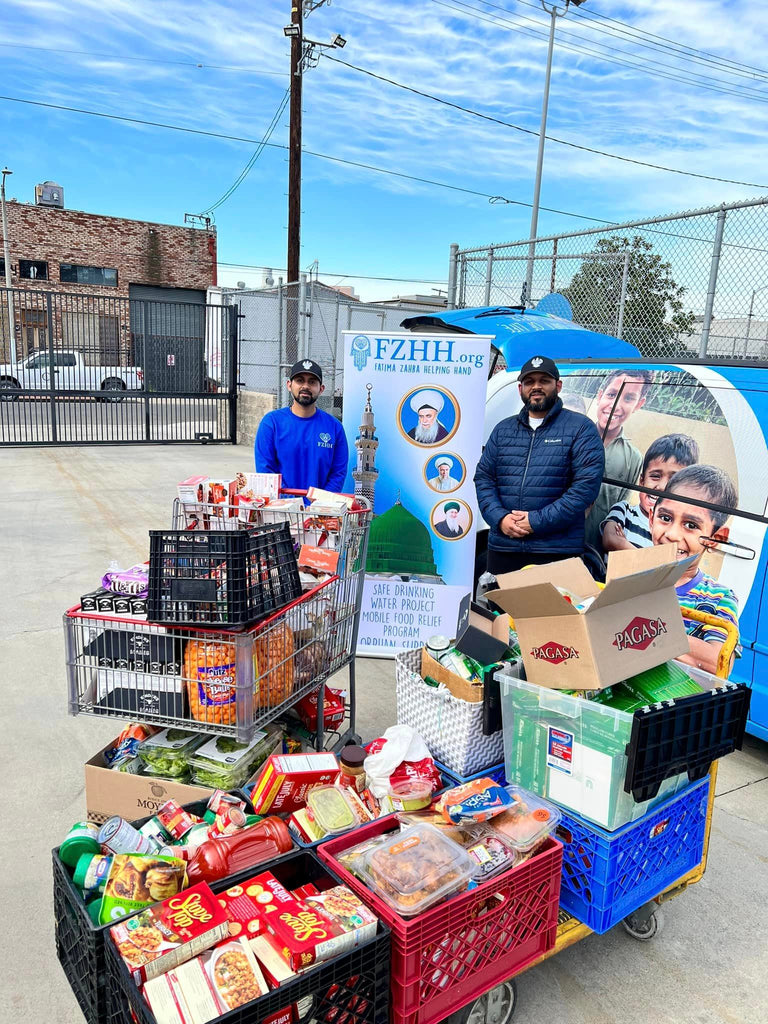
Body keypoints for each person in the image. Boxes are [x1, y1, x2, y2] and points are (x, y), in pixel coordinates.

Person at [474, 355, 605, 575]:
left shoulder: (581, 428)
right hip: (505, 548)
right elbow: (484, 478)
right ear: (520, 389)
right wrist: (500, 518)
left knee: (554, 610)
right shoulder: (503, 430)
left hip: (556, 551)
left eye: (544, 380)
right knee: (500, 609)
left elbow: (585, 489)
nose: (536, 387)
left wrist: (535, 521)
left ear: (558, 386)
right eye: (529, 382)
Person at [649, 464, 740, 674]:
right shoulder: (626, 576)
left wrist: (644, 629)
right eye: (665, 518)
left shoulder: (719, 598)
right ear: (651, 518)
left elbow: (716, 662)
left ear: (716, 539)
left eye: (690, 525)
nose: (672, 534)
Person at [584, 369, 653, 551]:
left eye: (628, 398)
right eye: (612, 394)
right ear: (600, 395)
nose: (616, 405)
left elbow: (618, 512)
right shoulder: (574, 436)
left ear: (639, 404)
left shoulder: (633, 459)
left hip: (593, 554)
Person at [254, 359, 349, 492]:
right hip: (281, 509)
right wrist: (293, 504)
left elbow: (337, 474)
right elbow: (265, 471)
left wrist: (319, 505)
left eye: (312, 382)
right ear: (289, 385)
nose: (305, 386)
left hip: (320, 509)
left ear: (321, 389)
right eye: (300, 380)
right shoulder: (271, 423)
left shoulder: (334, 428)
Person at [601, 433, 700, 551]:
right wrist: (650, 561)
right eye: (655, 476)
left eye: (673, 480)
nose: (662, 487)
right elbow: (610, 539)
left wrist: (624, 545)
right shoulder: (624, 510)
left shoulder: (674, 532)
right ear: (641, 481)